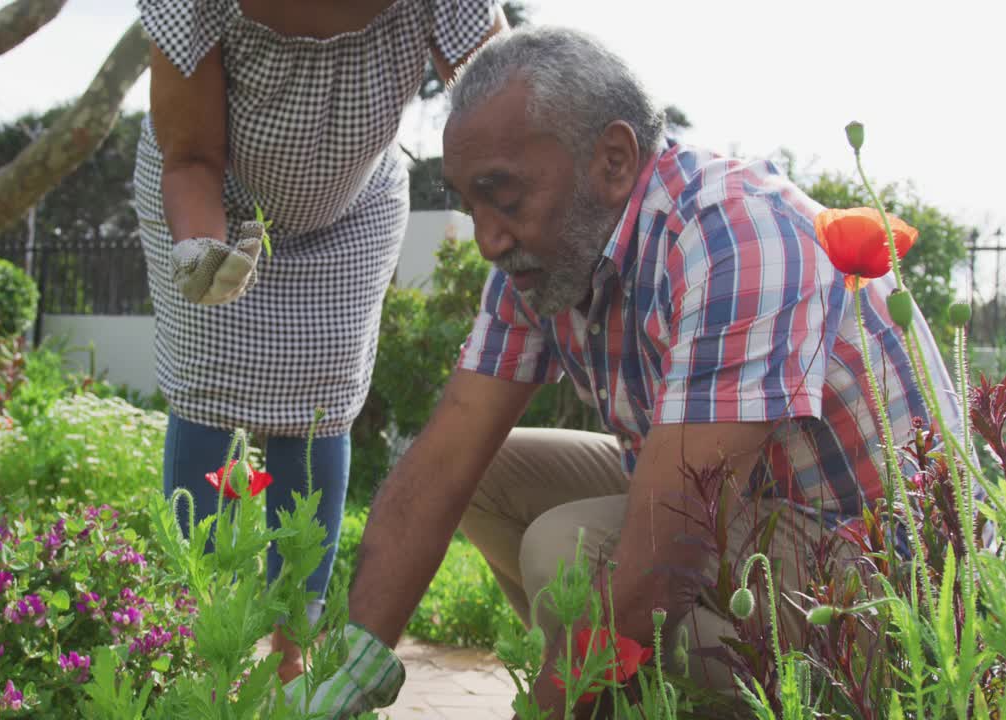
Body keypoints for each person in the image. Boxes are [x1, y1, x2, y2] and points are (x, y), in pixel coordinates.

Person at [299, 26, 963, 719]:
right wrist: (341, 682)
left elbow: (661, 555)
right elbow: (441, 463)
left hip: (894, 587)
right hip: (754, 517)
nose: (488, 238)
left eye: (506, 197)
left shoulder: (733, 233)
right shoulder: (543, 257)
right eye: (474, 205)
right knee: (490, 478)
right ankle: (628, 688)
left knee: (571, 556)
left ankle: (762, 702)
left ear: (613, 159)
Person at [132, 0, 509, 683]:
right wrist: (200, 249)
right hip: (208, 202)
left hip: (350, 211)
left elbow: (507, 102)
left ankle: (292, 646)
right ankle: (190, 630)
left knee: (319, 402)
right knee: (208, 387)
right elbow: (189, 155)